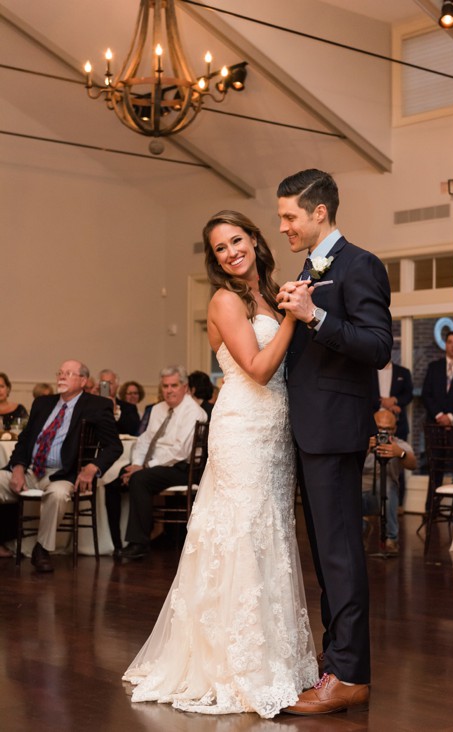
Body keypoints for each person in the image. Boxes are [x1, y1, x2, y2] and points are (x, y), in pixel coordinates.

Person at [123, 210, 317, 717]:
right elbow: (255, 368)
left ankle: (273, 655)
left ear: (254, 239)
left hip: (275, 429)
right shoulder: (225, 299)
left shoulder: (267, 290)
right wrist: (295, 315)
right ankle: (233, 662)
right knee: (240, 534)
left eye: (237, 240)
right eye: (220, 248)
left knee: (269, 532)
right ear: (214, 260)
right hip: (242, 428)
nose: (231, 251)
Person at [275, 169, 392, 715]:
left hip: (334, 430)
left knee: (340, 554)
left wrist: (314, 315)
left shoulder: (360, 263)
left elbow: (376, 346)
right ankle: (334, 662)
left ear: (319, 212)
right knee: (326, 555)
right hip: (308, 428)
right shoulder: (309, 268)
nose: (284, 227)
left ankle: (349, 675)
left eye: (289, 217)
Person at [0, 360, 122, 572]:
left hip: (63, 474)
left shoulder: (96, 405)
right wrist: (18, 468)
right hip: (30, 470)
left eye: (69, 373)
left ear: (83, 380)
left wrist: (92, 468)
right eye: (60, 373)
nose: (61, 377)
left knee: (57, 495)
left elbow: (114, 446)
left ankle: (42, 549)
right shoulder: (42, 403)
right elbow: (24, 440)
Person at [109, 366, 207, 560]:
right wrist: (137, 463)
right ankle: (115, 543)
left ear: (185, 387)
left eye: (174, 385)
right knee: (114, 480)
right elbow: (145, 439)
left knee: (140, 479)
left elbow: (180, 451)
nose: (169, 390)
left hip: (181, 468)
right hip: (154, 465)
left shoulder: (194, 412)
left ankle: (139, 543)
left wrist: (145, 467)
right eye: (165, 386)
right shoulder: (157, 409)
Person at [362, 408, 417, 554]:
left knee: (388, 486)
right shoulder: (362, 442)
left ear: (395, 429)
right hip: (360, 493)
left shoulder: (398, 444)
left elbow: (413, 464)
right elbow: (346, 468)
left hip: (385, 496)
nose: (383, 433)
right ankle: (362, 529)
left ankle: (391, 539)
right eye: (380, 428)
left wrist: (400, 453)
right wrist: (365, 449)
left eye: (388, 429)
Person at [374, 360, 413, 441]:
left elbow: (408, 394)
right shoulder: (368, 372)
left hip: (398, 424)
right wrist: (383, 403)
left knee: (399, 449)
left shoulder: (403, 372)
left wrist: (395, 400)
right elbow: (364, 393)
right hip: (373, 423)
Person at [97, 369, 141, 436]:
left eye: (110, 383)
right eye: (103, 383)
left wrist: (116, 412)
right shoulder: (91, 405)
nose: (106, 387)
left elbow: (133, 430)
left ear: (117, 385)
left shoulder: (129, 408)